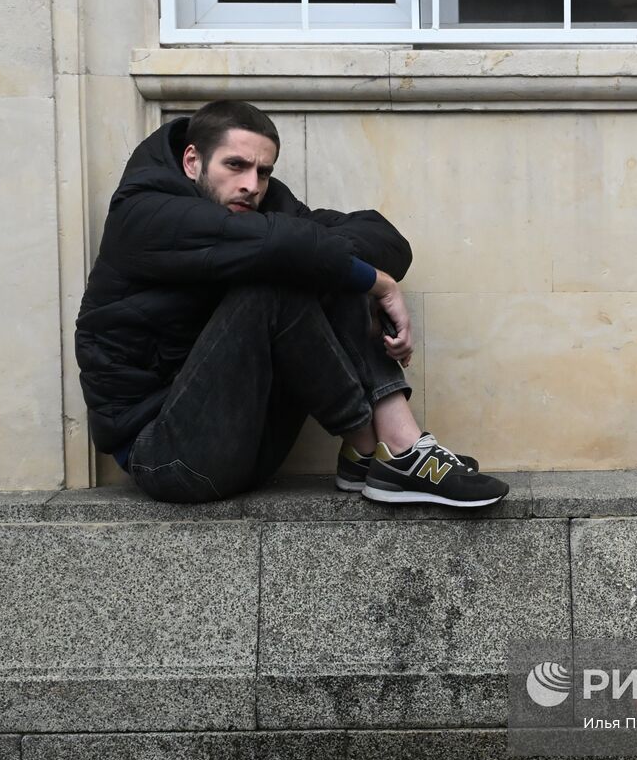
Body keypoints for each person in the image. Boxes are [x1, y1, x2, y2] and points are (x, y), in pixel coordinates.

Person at [75, 100, 508, 507]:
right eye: (235, 166)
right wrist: (379, 285)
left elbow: (386, 239)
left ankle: (389, 449)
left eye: (263, 172)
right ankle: (380, 446)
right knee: (284, 273)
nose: (251, 184)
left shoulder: (261, 203)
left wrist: (347, 267)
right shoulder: (142, 213)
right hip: (167, 456)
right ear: (192, 161)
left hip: (252, 441)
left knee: (312, 260)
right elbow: (285, 249)